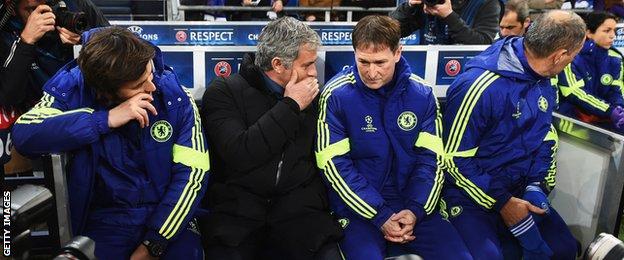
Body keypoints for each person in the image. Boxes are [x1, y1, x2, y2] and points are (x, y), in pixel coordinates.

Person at [12, 27, 209, 260]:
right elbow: (25, 133)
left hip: (170, 219)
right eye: (138, 85)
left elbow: (193, 174)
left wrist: (155, 242)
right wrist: (104, 120)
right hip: (105, 222)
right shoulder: (75, 85)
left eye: (150, 73)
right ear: (106, 91)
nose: (151, 87)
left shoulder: (175, 95)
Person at [316, 15, 472, 260]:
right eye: (363, 62)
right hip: (359, 208)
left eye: (380, 62)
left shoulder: (422, 94)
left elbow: (432, 160)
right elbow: (334, 166)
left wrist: (415, 210)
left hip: (413, 203)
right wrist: (379, 215)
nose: (372, 72)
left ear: (398, 53)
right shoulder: (336, 95)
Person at [442, 10, 584, 259]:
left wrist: (535, 185)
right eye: (573, 56)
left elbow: (545, 134)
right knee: (491, 256)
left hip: (520, 187)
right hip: (470, 194)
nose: (571, 62)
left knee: (565, 249)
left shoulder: (548, 78)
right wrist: (503, 202)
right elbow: (453, 160)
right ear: (559, 56)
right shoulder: (478, 86)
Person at [199, 16, 343, 259]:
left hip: (300, 215)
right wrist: (291, 105)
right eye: (306, 65)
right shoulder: (224, 91)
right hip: (237, 216)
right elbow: (240, 153)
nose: (313, 72)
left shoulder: (316, 96)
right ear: (278, 64)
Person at [0, 0, 108, 176]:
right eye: (32, 10)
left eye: (47, 5)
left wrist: (86, 38)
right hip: (38, 129)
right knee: (34, 197)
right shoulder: (5, 27)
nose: (43, 15)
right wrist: (26, 41)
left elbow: (120, 45)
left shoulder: (77, 5)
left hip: (91, 116)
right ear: (11, 6)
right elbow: (8, 96)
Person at [556, 12, 624, 133]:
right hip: (573, 121)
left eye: (614, 30)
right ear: (589, 33)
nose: (613, 36)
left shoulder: (616, 59)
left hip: (604, 119)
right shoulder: (571, 56)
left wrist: (619, 108)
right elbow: (575, 93)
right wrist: (609, 110)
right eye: (607, 30)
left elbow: (616, 90)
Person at [390, 0, 500, 44]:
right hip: (430, 66)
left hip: (467, 71)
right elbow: (390, 31)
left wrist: (449, 16)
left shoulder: (486, 3)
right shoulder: (427, 3)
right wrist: (409, 6)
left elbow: (483, 43)